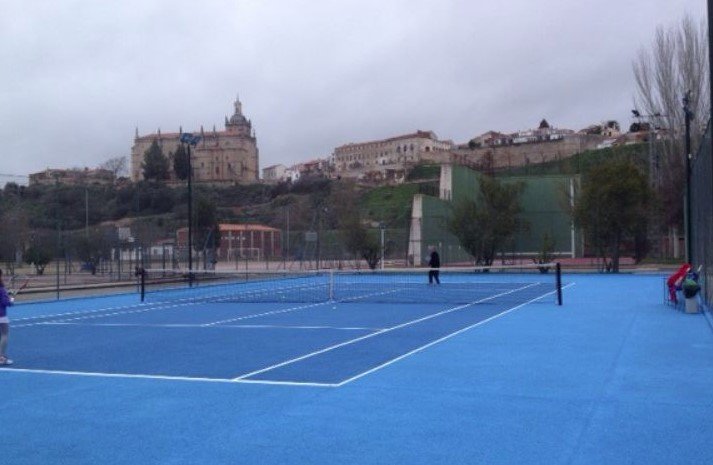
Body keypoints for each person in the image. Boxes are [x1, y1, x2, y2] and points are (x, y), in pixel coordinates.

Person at [0, 269, 15, 366]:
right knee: (5, 335)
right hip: (1, 316)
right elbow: (6, 303)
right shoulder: (1, 289)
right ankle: (1, 357)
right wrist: (11, 300)